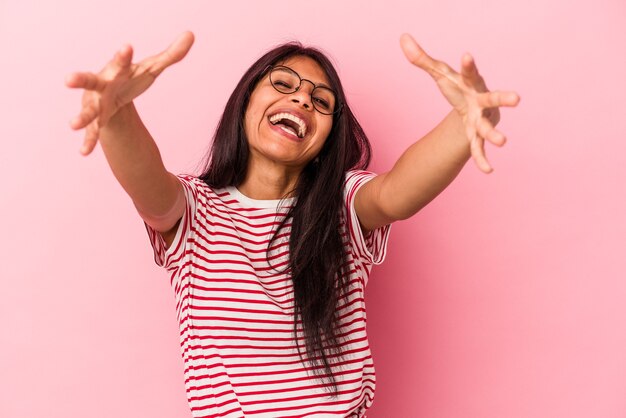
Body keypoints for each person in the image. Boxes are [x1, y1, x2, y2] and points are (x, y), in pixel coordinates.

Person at [66, 31, 519, 418]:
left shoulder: (342, 205)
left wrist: (464, 122)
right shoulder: (195, 209)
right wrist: (118, 115)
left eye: (321, 101)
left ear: (326, 139)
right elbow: (147, 184)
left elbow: (398, 191)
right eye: (283, 83)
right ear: (245, 104)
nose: (301, 98)